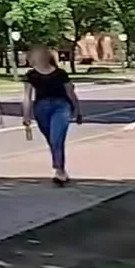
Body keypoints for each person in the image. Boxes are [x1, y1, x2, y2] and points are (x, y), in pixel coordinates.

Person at [23, 46, 84, 186]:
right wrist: (26, 115)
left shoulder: (60, 73)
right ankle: (60, 166)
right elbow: (27, 97)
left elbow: (70, 93)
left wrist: (78, 110)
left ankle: (59, 170)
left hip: (61, 106)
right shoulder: (31, 75)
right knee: (51, 139)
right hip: (41, 108)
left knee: (57, 138)